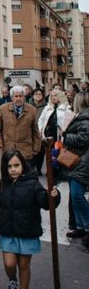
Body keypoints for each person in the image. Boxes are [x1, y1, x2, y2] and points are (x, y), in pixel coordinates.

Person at [0, 151, 60, 289]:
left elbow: (45, 202)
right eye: (9, 166)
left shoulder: (33, 183)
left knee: (24, 264)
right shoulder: (2, 183)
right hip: (8, 229)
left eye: (16, 165)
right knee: (9, 264)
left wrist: (53, 196)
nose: (13, 169)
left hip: (27, 230)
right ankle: (12, 281)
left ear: (23, 165)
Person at [60, 91, 89, 251]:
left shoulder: (85, 119)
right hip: (77, 161)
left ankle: (87, 226)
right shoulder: (81, 117)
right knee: (74, 194)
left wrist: (65, 135)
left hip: (82, 161)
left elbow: (84, 139)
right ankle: (80, 226)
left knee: (77, 195)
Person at [0, 86, 40, 161]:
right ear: (12, 98)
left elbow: (36, 131)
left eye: (21, 96)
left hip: (25, 150)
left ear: (24, 97)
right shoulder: (3, 109)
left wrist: (36, 147)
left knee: (26, 172)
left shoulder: (32, 110)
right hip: (8, 150)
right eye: (16, 96)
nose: (18, 99)